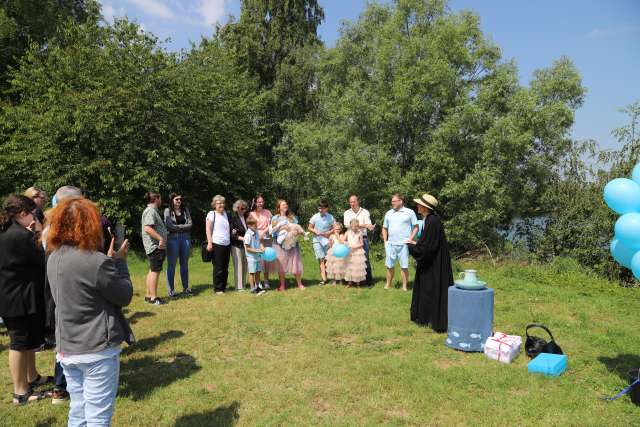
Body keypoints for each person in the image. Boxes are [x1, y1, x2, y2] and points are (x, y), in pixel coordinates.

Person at [46, 197, 134, 426]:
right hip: (96, 350)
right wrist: (120, 263)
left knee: (78, 410)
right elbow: (123, 295)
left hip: (67, 348)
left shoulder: (53, 258)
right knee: (97, 417)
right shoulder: (96, 262)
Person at [0, 195, 50, 405]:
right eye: (31, 213)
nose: (34, 216)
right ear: (22, 214)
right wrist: (39, 232)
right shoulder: (20, 235)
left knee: (29, 339)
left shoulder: (10, 232)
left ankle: (32, 377)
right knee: (19, 342)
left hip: (18, 294)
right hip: (17, 297)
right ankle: (20, 392)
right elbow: (42, 259)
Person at [406, 194, 453, 332]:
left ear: (425, 207)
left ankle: (430, 318)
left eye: (419, 205)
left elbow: (427, 248)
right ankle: (425, 317)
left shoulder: (432, 221)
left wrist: (411, 247)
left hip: (434, 264)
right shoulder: (429, 219)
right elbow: (427, 242)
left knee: (430, 289)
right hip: (433, 261)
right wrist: (415, 243)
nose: (417, 206)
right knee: (427, 288)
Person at [382, 193, 419, 291]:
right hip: (390, 244)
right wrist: (385, 242)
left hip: (404, 245)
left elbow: (416, 227)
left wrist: (410, 239)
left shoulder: (410, 212)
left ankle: (404, 287)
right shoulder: (388, 213)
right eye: (392, 201)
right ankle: (388, 285)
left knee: (404, 266)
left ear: (401, 201)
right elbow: (384, 228)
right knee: (389, 266)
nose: (392, 203)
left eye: (394, 201)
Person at [271, 199, 305, 291]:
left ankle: (299, 284)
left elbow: (298, 229)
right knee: (281, 264)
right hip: (280, 245)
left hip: (293, 244)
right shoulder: (275, 218)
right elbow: (272, 232)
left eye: (286, 204)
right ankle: (282, 285)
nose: (285, 205)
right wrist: (281, 230)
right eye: (283, 205)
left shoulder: (292, 217)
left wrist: (295, 233)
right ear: (279, 208)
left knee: (295, 263)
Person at [164, 193, 193, 297]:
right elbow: (169, 226)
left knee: (184, 264)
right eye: (176, 199)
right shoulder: (167, 211)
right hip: (172, 239)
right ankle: (171, 291)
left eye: (180, 199)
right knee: (171, 265)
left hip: (185, 238)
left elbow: (190, 224)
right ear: (172, 200)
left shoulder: (185, 210)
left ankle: (186, 288)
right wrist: (182, 227)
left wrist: (178, 227)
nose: (179, 201)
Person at [343, 195, 375, 287]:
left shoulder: (365, 212)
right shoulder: (346, 213)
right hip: (350, 240)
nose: (352, 204)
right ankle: (351, 281)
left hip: (362, 238)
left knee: (365, 260)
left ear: (358, 201)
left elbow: (369, 225)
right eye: (351, 202)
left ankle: (368, 281)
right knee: (350, 261)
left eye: (354, 201)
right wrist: (364, 225)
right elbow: (347, 225)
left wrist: (367, 226)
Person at [141, 192, 167, 305]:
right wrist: (160, 238)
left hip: (155, 246)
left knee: (152, 270)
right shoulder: (150, 211)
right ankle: (153, 298)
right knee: (155, 272)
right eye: (160, 198)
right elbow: (147, 228)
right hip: (155, 246)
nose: (161, 200)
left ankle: (148, 296)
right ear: (156, 199)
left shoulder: (151, 211)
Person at [206, 195, 232, 294]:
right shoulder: (211, 214)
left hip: (227, 243)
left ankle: (223, 286)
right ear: (214, 204)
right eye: (219, 203)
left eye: (223, 203)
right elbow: (208, 229)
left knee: (225, 267)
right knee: (218, 267)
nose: (221, 205)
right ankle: (218, 288)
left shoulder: (226, 214)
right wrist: (209, 243)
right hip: (217, 243)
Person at [308, 199, 335, 285]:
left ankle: (328, 276)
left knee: (327, 259)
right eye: (319, 208)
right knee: (321, 259)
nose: (321, 210)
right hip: (317, 240)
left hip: (327, 240)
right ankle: (324, 279)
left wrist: (329, 233)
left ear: (327, 208)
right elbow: (309, 227)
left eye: (323, 208)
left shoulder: (330, 217)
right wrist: (315, 231)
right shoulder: (314, 217)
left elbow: (335, 227)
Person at [248, 194, 272, 289]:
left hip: (266, 238)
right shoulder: (251, 214)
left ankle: (266, 281)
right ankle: (257, 283)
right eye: (259, 202)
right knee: (257, 261)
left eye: (262, 201)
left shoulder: (267, 212)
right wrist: (258, 235)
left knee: (266, 261)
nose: (261, 203)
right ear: (255, 203)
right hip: (255, 240)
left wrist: (264, 232)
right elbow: (250, 226)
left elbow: (271, 225)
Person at [243, 216, 266, 295]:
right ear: (249, 226)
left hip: (257, 256)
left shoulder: (256, 232)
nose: (256, 226)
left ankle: (258, 286)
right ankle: (252, 288)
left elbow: (259, 242)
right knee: (252, 273)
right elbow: (247, 248)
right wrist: (257, 250)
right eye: (254, 225)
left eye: (256, 224)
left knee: (258, 271)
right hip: (251, 258)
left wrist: (262, 248)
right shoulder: (248, 235)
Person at [230, 199, 249, 291]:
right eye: (241, 208)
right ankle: (238, 287)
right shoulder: (233, 218)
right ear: (236, 208)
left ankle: (244, 284)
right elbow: (232, 234)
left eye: (244, 208)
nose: (243, 210)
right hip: (236, 245)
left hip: (246, 245)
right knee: (238, 265)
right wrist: (243, 238)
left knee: (245, 265)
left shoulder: (247, 217)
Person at [343, 219, 367, 287]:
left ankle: (357, 283)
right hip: (349, 251)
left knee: (357, 267)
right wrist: (347, 244)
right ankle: (349, 283)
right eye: (353, 226)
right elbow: (343, 240)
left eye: (356, 226)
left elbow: (362, 244)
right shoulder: (347, 232)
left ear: (358, 226)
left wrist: (356, 247)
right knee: (349, 267)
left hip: (357, 252)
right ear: (350, 226)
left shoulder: (360, 233)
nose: (354, 227)